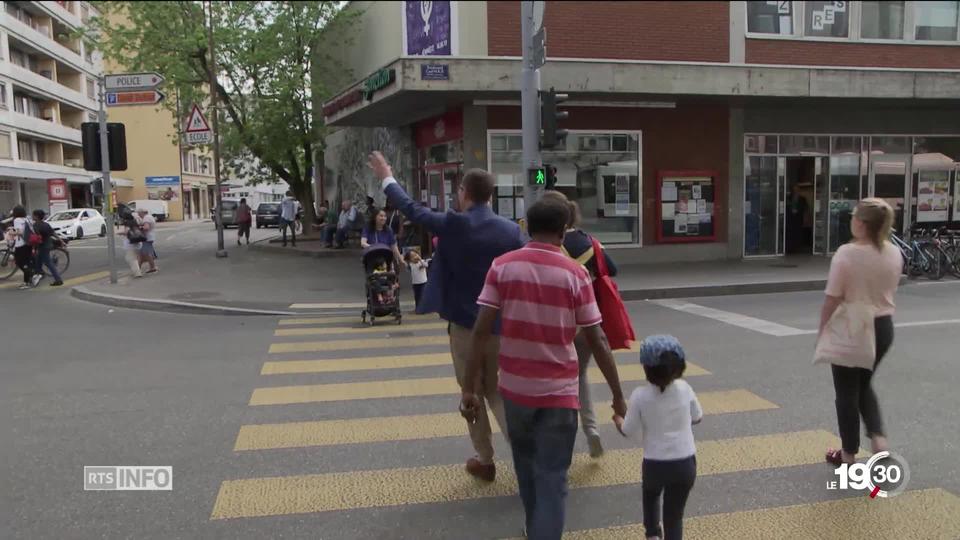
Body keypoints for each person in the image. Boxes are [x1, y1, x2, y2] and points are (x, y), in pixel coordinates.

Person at [461, 196, 626, 539]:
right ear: (564, 232)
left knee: (526, 467)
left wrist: (469, 387)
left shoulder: (502, 266)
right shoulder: (575, 274)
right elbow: (597, 339)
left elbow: (480, 330)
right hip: (559, 395)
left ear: (526, 226)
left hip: (516, 392)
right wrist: (618, 396)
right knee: (553, 476)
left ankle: (535, 526)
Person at [369, 150, 524, 482]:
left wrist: (386, 176)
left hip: (466, 325)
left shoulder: (455, 223)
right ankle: (527, 454)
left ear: (464, 193)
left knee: (472, 390)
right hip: (500, 325)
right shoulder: (511, 231)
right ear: (491, 195)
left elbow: (412, 209)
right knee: (498, 391)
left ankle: (485, 458)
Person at [820, 198, 901, 466]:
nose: (851, 220)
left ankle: (848, 456)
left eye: (854, 216)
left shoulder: (847, 253)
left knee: (845, 391)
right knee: (864, 383)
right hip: (884, 326)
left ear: (862, 223)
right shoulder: (893, 252)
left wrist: (823, 329)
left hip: (853, 325)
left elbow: (832, 298)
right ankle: (879, 443)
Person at [543, 193, 621, 458]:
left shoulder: (550, 246)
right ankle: (592, 430)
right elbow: (612, 269)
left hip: (558, 325)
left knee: (556, 381)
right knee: (581, 375)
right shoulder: (591, 243)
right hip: (589, 324)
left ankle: (560, 437)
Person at [615, 335, 701, 540]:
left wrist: (618, 419)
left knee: (651, 495)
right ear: (679, 366)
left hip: (655, 464)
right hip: (685, 464)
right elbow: (697, 417)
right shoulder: (685, 389)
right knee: (674, 516)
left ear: (646, 368)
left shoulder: (639, 395)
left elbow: (627, 430)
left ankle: (653, 534)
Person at [30, 209, 63, 287]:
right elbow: (53, 233)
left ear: (37, 216)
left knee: (48, 263)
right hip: (48, 245)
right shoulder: (46, 224)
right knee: (38, 262)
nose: (32, 216)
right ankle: (38, 277)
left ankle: (58, 280)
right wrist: (61, 240)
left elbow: (35, 237)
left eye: (33, 215)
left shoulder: (36, 225)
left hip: (42, 246)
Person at [8, 205, 35, 289]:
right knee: (25, 262)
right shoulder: (26, 218)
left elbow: (20, 232)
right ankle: (29, 279)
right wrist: (13, 229)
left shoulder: (17, 220)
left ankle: (28, 281)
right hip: (28, 243)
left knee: (21, 263)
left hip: (21, 244)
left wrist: (11, 232)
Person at [120, 211, 144, 278]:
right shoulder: (135, 221)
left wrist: (120, 233)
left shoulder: (127, 223)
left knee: (130, 258)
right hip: (137, 242)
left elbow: (126, 232)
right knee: (134, 258)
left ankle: (137, 273)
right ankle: (137, 271)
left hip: (131, 244)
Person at [136, 209, 158, 274]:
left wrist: (138, 228)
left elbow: (146, 227)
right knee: (142, 254)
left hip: (146, 238)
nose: (139, 216)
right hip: (150, 237)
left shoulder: (146, 218)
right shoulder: (149, 217)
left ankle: (152, 267)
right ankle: (137, 269)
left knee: (146, 253)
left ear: (142, 213)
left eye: (139, 214)